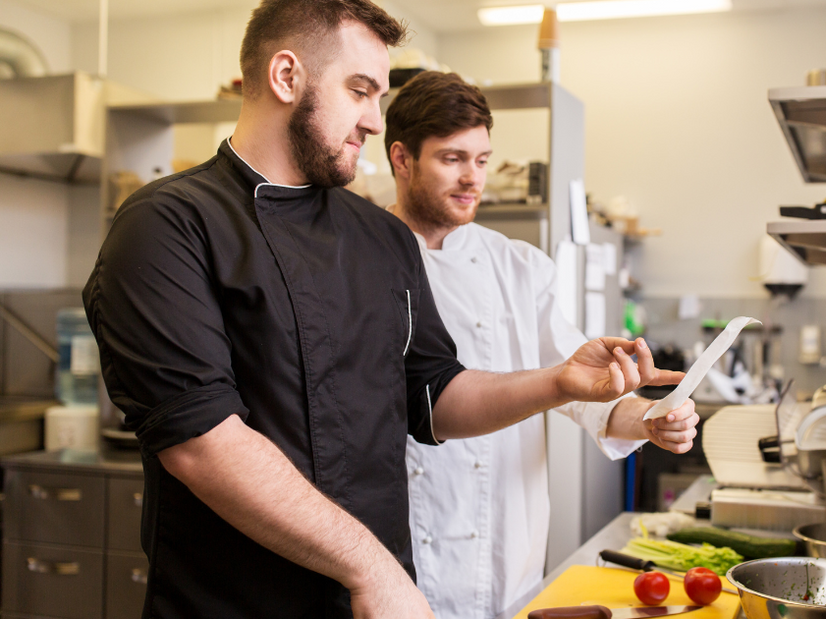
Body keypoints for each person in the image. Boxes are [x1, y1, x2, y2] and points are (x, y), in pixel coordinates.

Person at [82, 2, 683, 618]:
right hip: (237, 604)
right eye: (360, 90)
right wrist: (371, 567)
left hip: (372, 603)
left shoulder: (382, 238)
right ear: (286, 77)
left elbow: (435, 397)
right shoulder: (168, 224)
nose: (374, 120)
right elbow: (202, 441)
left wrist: (558, 381)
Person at [384, 71, 700, 619]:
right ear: (401, 159)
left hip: (505, 555)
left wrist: (649, 419)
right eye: (452, 159)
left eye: (482, 160)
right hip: (400, 557)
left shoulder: (520, 268)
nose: (472, 179)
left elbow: (583, 391)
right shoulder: (359, 259)